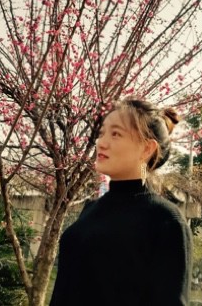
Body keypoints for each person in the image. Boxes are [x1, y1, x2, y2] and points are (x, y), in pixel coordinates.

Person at [50, 98, 192, 306]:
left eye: (116, 134)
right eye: (102, 133)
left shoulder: (164, 220)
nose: (101, 143)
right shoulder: (90, 210)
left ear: (147, 149)